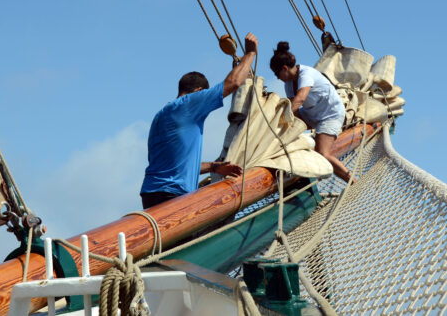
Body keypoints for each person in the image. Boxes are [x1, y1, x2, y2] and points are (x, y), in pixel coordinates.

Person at [140, 33, 258, 209]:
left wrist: (214, 167)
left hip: (151, 195)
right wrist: (250, 54)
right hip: (172, 195)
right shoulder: (189, 104)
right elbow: (233, 83)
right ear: (199, 91)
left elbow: (177, 166)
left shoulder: (161, 116)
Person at [270, 41, 354, 183]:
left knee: (323, 153)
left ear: (284, 68)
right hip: (311, 113)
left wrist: (281, 118)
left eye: (277, 74)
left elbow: (300, 99)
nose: (277, 77)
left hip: (330, 115)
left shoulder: (306, 74)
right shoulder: (288, 84)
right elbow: (294, 111)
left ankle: (352, 180)